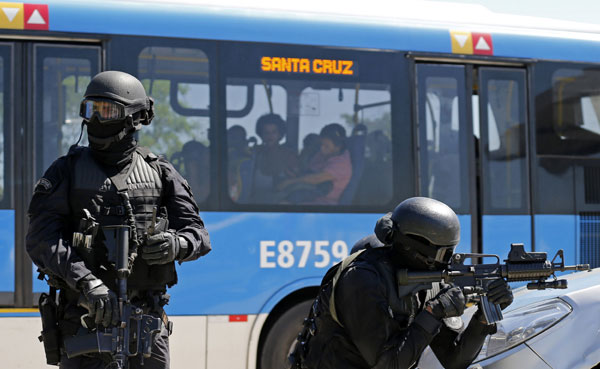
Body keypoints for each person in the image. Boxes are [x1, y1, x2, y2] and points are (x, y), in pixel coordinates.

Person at [27, 71, 211, 369]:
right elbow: (41, 239)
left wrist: (175, 244)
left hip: (145, 326)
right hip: (84, 322)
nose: (97, 120)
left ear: (133, 117)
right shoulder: (65, 172)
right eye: (91, 110)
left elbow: (199, 235)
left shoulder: (160, 172)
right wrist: (87, 282)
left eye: (107, 110)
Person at [290, 197, 513, 369]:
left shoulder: (430, 278)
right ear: (416, 249)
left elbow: (454, 360)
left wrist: (482, 320)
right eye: (444, 254)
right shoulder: (362, 279)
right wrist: (433, 312)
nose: (447, 262)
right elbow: (389, 365)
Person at [278, 123, 352, 204]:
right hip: (308, 195)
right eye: (321, 144)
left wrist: (290, 181)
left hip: (324, 203)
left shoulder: (342, 163)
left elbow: (315, 179)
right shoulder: (322, 154)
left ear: (338, 145)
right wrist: (295, 174)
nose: (321, 148)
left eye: (326, 146)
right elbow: (309, 172)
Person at [246, 113, 299, 202]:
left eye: (274, 132)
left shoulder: (289, 155)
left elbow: (295, 179)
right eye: (266, 132)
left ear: (280, 134)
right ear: (261, 135)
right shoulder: (254, 153)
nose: (270, 136)